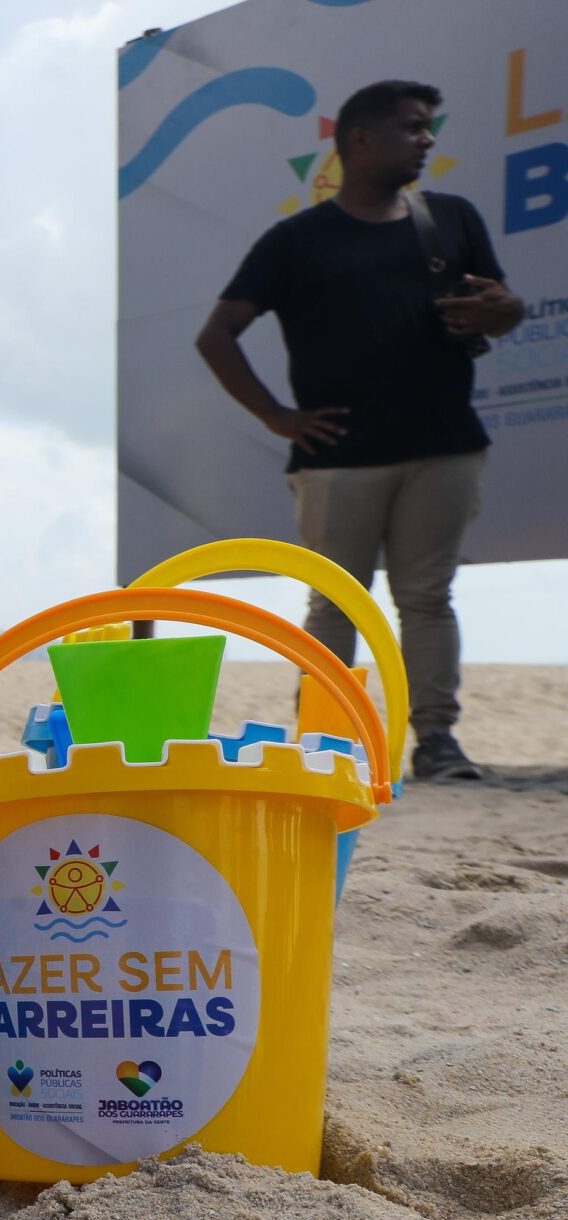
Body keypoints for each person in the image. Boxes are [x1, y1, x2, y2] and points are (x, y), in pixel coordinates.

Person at [194, 78, 524, 782]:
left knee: (427, 598)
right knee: (336, 603)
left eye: (428, 126)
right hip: (338, 457)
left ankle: (436, 742)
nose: (428, 139)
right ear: (360, 140)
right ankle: (324, 743)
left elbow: (502, 306)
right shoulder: (296, 240)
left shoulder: (452, 219)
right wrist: (276, 416)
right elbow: (217, 333)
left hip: (446, 445)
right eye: (413, 126)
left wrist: (504, 308)